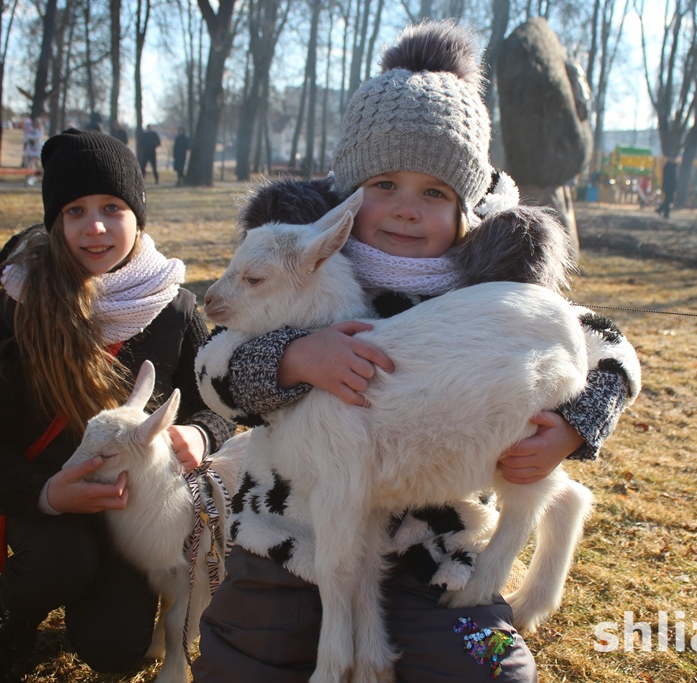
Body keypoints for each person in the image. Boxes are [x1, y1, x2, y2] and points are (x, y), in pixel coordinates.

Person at [191, 21, 640, 683]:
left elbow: (610, 346)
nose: (406, 209)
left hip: (439, 542)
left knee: (490, 668)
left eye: (434, 192)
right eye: (384, 185)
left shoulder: (492, 284)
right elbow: (213, 367)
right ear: (349, 191)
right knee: (244, 658)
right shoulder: (297, 271)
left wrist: (575, 421)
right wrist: (292, 359)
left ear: (468, 206)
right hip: (294, 530)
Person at [0, 128, 234, 682]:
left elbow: (219, 404)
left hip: (137, 513)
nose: (95, 226)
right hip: (46, 509)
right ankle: (12, 619)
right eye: (75, 211)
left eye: (112, 207)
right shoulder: (22, 303)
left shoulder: (173, 308)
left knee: (117, 654)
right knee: (62, 560)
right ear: (56, 223)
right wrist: (48, 493)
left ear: (138, 215)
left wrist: (200, 434)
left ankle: (92, 608)